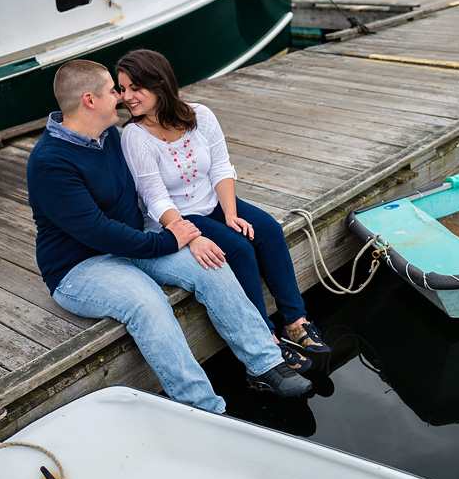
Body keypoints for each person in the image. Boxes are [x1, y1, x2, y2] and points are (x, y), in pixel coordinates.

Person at [26, 60, 312, 414]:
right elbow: (98, 231)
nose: (121, 97)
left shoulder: (106, 136)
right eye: (113, 90)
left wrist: (188, 237)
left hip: (132, 244)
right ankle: (205, 408)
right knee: (148, 303)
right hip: (81, 266)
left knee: (212, 262)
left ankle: (265, 363)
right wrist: (168, 240)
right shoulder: (50, 162)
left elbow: (147, 198)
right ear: (89, 100)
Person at [115, 50, 330, 373]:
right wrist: (188, 235)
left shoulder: (199, 115)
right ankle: (265, 337)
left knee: (268, 230)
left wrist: (230, 213)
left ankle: (295, 321)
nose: (126, 97)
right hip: (175, 217)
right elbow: (155, 198)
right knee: (239, 250)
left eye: (135, 88)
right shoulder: (135, 136)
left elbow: (220, 168)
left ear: (159, 84)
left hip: (213, 203)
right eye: (122, 89)